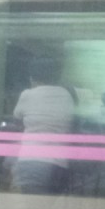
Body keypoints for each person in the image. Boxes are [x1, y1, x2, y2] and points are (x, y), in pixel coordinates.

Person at [12, 53, 76, 194]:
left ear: (32, 76)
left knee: (34, 205)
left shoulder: (27, 95)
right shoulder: (67, 95)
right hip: (60, 164)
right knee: (48, 206)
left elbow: (17, 118)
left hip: (32, 160)